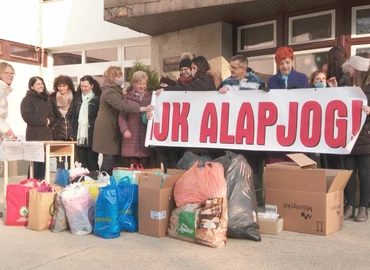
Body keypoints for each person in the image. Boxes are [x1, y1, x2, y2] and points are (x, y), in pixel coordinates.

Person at [92, 66, 153, 175]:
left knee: (113, 160)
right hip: (107, 129)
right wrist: (142, 109)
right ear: (112, 77)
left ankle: (109, 181)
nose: (121, 78)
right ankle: (105, 181)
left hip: (113, 129)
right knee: (108, 159)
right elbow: (123, 106)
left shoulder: (116, 89)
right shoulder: (109, 92)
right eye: (119, 76)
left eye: (121, 75)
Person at [266, 46, 310, 164]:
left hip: (296, 123)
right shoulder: (272, 80)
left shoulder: (301, 78)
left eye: (287, 62)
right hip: (278, 123)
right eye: (281, 63)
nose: (285, 66)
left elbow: (308, 99)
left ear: (292, 61)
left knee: (297, 160)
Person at [343, 53, 370, 222]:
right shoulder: (347, 85)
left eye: (351, 67)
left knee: (365, 174)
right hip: (348, 138)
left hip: (365, 138)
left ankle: (363, 207)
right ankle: (350, 205)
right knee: (349, 173)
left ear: (358, 69)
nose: (349, 69)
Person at [20, 76, 54, 180]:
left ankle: (41, 185)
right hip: (34, 135)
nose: (41, 86)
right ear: (31, 86)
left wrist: (50, 121)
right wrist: (45, 121)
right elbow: (27, 116)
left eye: (41, 83)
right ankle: (31, 185)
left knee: (43, 162)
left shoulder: (47, 99)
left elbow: (52, 115)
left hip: (46, 135)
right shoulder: (27, 100)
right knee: (34, 163)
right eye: (38, 84)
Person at [118, 71, 152, 168]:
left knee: (145, 172)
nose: (142, 86)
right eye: (139, 84)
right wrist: (125, 130)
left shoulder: (151, 96)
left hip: (145, 139)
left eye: (144, 83)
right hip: (130, 139)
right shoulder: (127, 97)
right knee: (131, 171)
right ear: (134, 84)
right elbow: (121, 117)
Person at [71, 75, 101, 172]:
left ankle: (94, 182)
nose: (83, 88)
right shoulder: (77, 99)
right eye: (82, 86)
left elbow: (98, 117)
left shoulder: (97, 99)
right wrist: (73, 133)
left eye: (85, 86)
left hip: (92, 134)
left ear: (92, 86)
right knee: (81, 163)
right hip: (79, 136)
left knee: (92, 161)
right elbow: (73, 117)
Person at [0, 62, 17, 217]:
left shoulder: (4, 90)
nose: (10, 75)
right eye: (7, 72)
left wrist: (6, 131)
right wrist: (6, 130)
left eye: (12, 73)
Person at [50, 75, 75, 168]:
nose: (61, 88)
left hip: (72, 132)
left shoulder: (75, 96)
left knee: (72, 160)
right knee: (60, 160)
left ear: (68, 86)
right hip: (58, 132)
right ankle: (60, 180)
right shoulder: (52, 97)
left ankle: (71, 180)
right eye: (59, 86)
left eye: (64, 86)